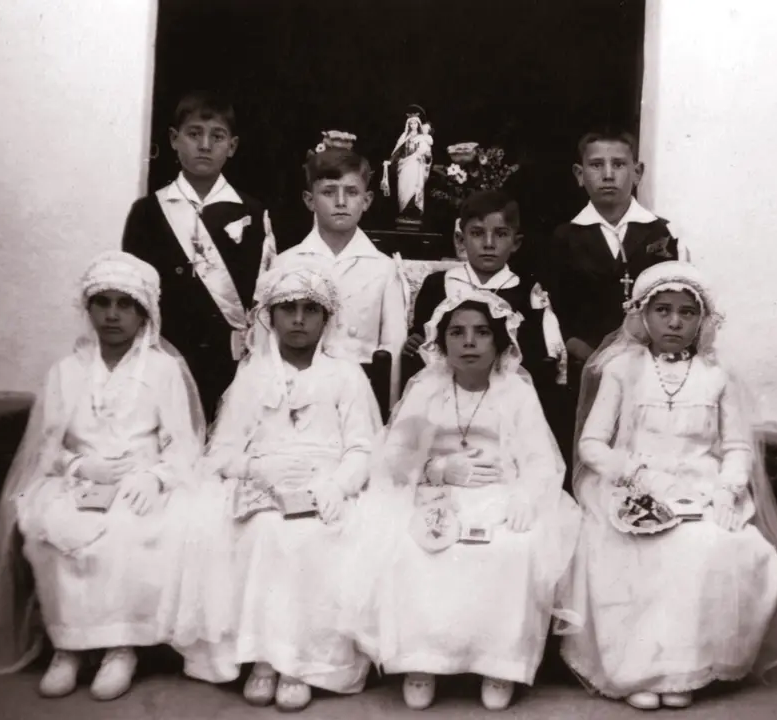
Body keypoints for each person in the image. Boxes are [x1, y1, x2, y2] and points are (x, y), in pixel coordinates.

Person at [558, 261, 777, 711]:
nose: (674, 321)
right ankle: (634, 670)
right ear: (643, 316)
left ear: (702, 320)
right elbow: (593, 444)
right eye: (663, 310)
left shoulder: (717, 376)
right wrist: (631, 474)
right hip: (632, 485)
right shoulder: (621, 370)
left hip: (701, 487)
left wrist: (729, 489)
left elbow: (736, 446)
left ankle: (685, 668)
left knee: (715, 546)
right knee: (634, 550)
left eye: (687, 312)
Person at [0, 252, 206, 701]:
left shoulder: (161, 371)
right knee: (48, 524)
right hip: (80, 478)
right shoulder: (66, 371)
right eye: (103, 303)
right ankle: (69, 645)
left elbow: (183, 442)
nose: (114, 314)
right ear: (89, 310)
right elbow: (47, 444)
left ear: (144, 314)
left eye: (125, 304)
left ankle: (121, 646)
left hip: (140, 478)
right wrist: (79, 466)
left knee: (129, 529)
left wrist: (156, 477)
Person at [341, 289, 582, 712]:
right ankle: (422, 660)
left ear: (500, 342)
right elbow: (396, 457)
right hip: (435, 492)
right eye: (457, 332)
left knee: (512, 547)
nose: (469, 342)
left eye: (481, 333)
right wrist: (437, 468)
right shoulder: (426, 391)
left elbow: (541, 460)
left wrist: (526, 496)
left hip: (500, 492)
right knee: (413, 548)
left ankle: (498, 662)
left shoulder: (516, 393)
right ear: (442, 340)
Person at [171, 255, 382, 712]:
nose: (300, 320)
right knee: (263, 533)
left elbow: (362, 449)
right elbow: (223, 451)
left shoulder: (346, 376)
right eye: (289, 309)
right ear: (270, 316)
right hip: (262, 484)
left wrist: (338, 486)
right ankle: (263, 658)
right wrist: (255, 470)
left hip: (324, 484)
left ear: (327, 318)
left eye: (311, 310)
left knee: (314, 537)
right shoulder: (252, 377)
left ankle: (302, 663)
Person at [122, 90, 277, 424]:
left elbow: (263, 294)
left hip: (232, 362)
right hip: (167, 359)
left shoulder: (252, 211)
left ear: (232, 146)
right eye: (194, 134)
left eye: (217, 136)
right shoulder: (148, 212)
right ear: (174, 140)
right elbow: (133, 296)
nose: (205, 145)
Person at [543, 128, 690, 392]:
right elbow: (558, 311)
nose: (608, 175)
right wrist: (591, 357)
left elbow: (678, 304)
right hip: (588, 366)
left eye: (619, 164)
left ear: (637, 173)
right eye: (596, 165)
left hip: (650, 367)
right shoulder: (565, 238)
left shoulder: (664, 234)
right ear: (580, 174)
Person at [278, 148, 407, 408]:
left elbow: (394, 348)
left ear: (367, 200)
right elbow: (270, 345)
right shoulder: (286, 263)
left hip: (363, 397)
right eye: (328, 192)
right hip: (299, 395)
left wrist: (387, 412)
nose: (340, 202)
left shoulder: (383, 268)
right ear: (309, 200)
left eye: (351, 192)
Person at [404, 189, 566, 387]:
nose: (489, 244)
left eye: (501, 234)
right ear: (461, 240)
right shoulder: (438, 285)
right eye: (477, 233)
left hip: (507, 394)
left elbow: (539, 355)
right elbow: (421, 341)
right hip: (444, 389)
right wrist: (414, 343)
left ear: (516, 243)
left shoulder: (526, 292)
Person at [382, 106, 435, 220]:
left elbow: (427, 156)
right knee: (403, 190)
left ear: (418, 124)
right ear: (408, 125)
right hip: (404, 167)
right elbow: (397, 152)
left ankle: (413, 212)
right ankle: (404, 211)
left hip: (416, 167)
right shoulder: (404, 137)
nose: (413, 126)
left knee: (414, 189)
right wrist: (390, 162)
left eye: (415, 123)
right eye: (410, 124)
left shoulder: (422, 138)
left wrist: (426, 156)